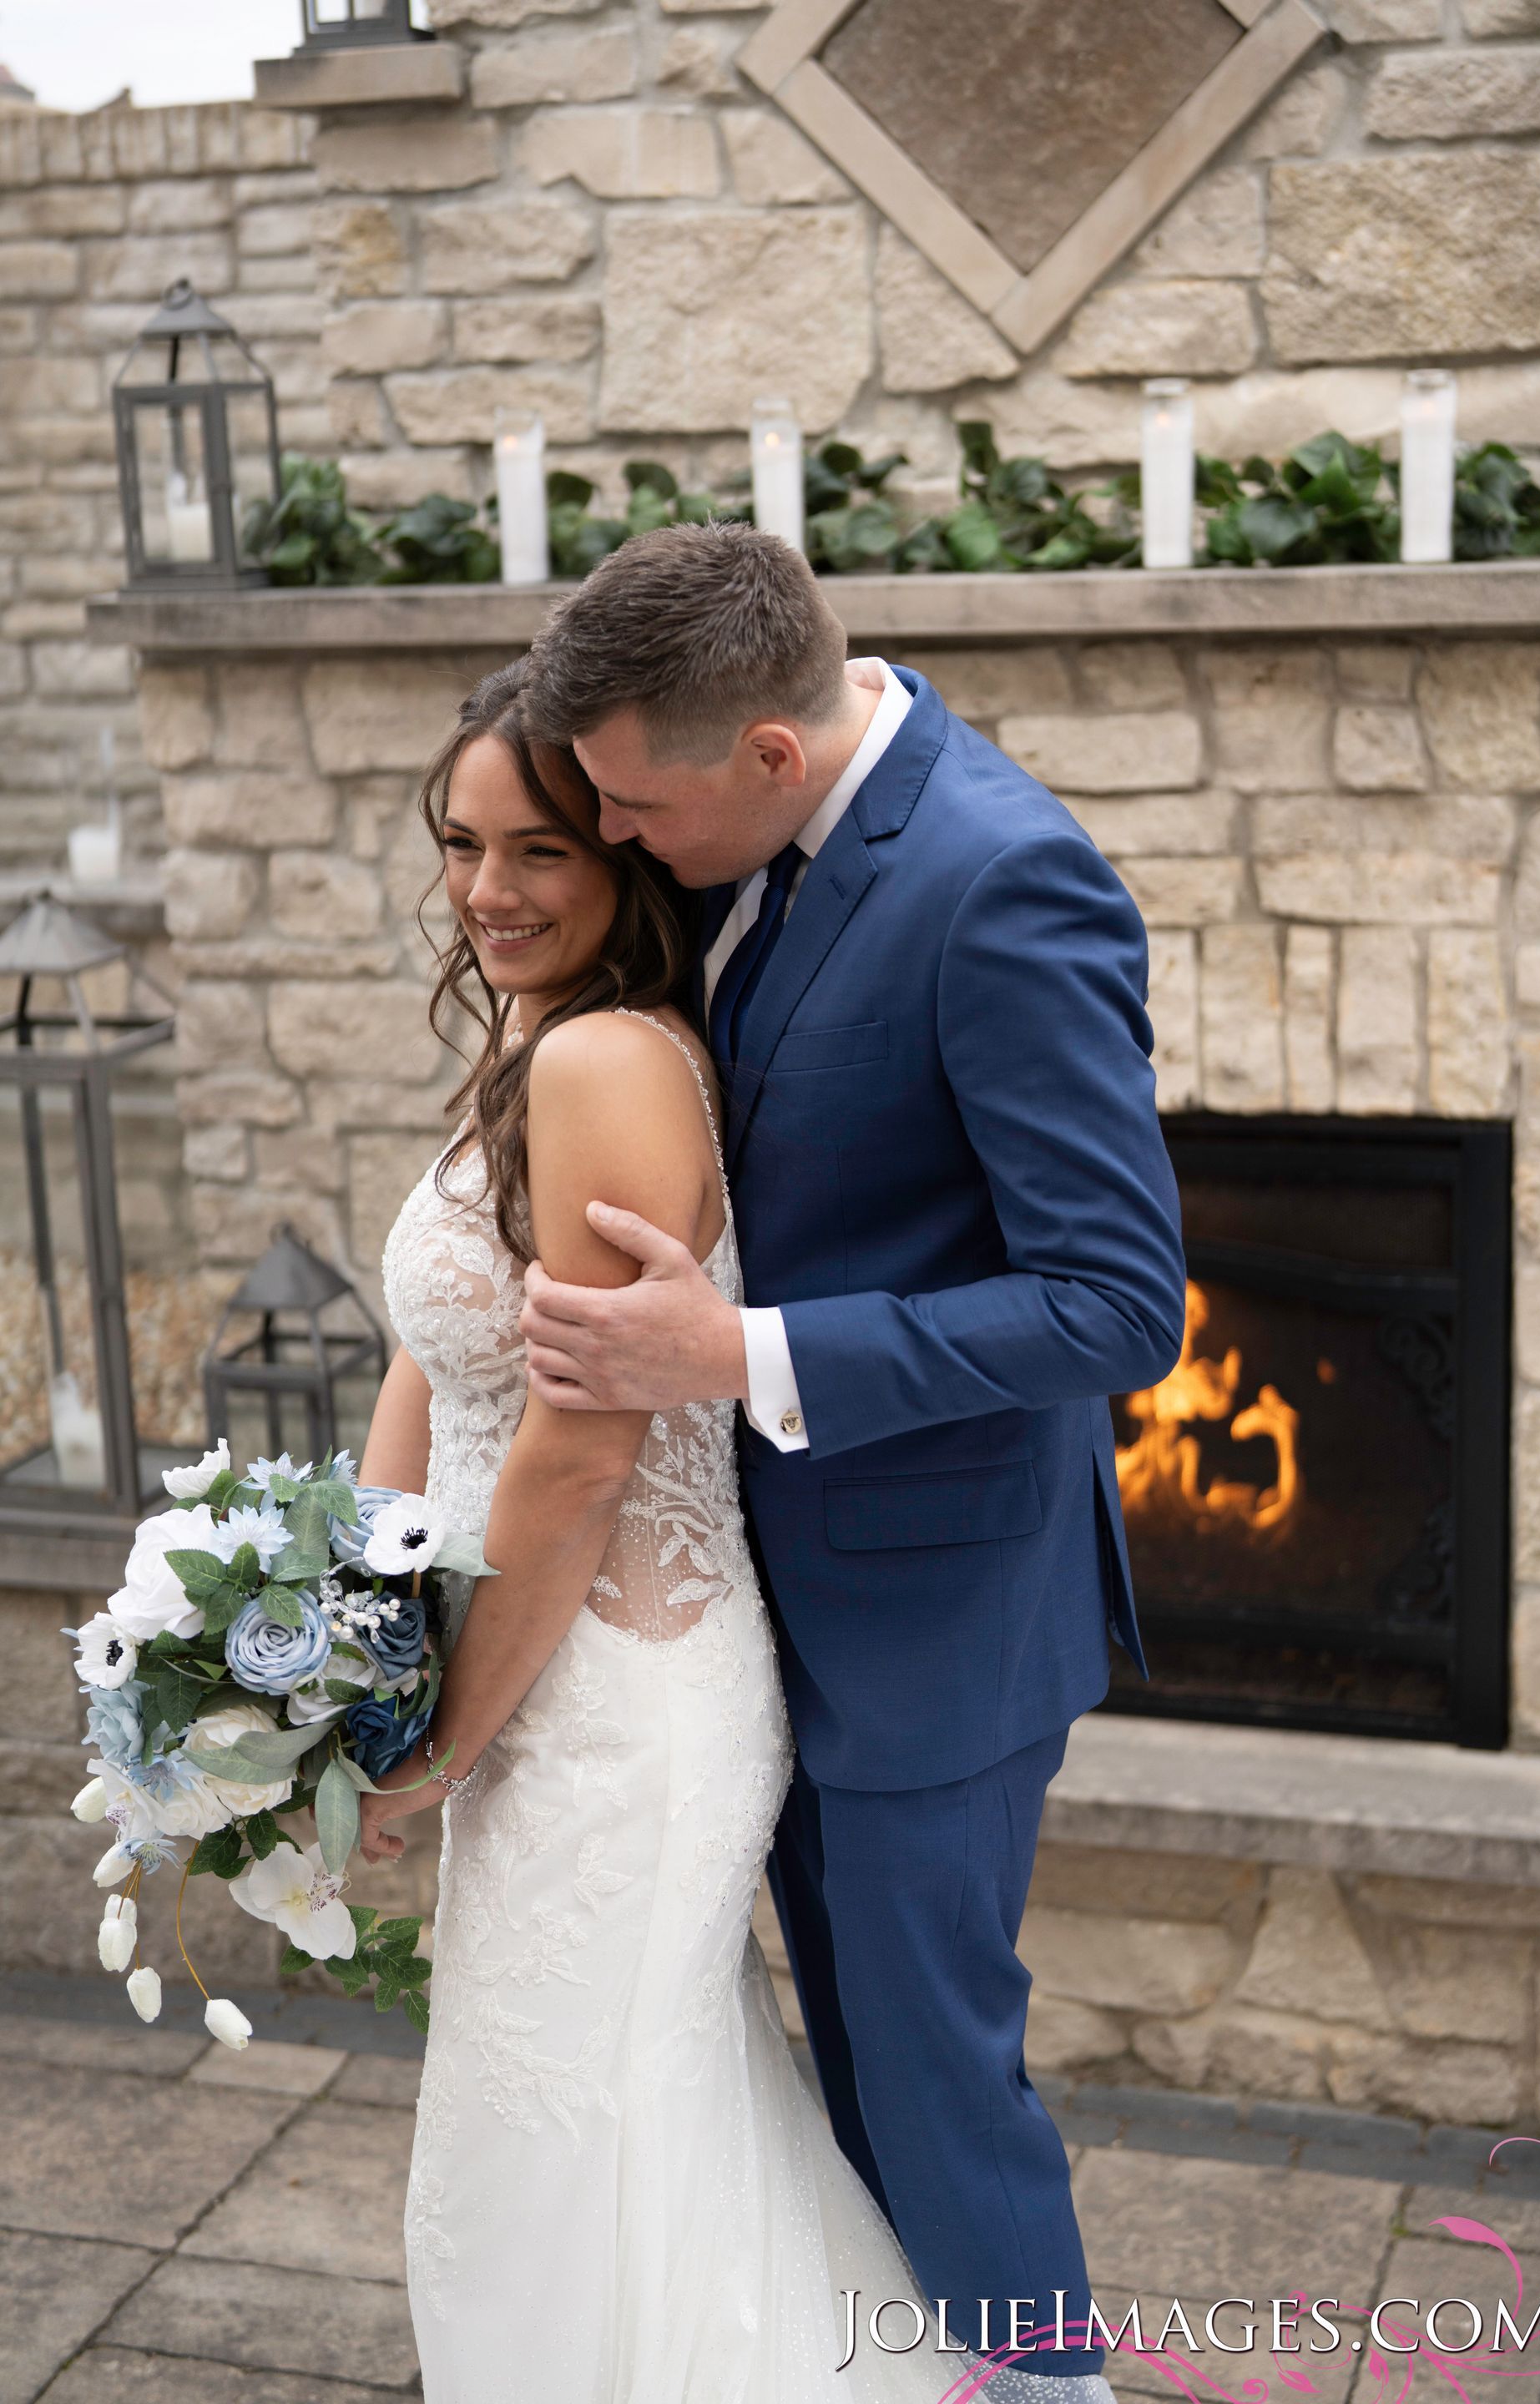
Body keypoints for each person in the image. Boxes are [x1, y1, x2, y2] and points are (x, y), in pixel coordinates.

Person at [515, 523, 1189, 2396]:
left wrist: (736, 1353)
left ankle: (1048, 2386)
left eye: (639, 806)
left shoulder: (1004, 883)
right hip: (772, 1607)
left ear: (774, 757)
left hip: (937, 1627)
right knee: (853, 2087)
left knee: (934, 2083)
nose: (621, 839)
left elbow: (1122, 1306)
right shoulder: (760, 847)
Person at [355, 659, 986, 2401]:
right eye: (465, 843)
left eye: (542, 848)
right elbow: (432, 1364)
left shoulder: (613, 1061)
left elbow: (579, 1451)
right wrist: (347, 1654)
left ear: (634, 855)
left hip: (612, 1701)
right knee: (582, 2127)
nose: (490, 889)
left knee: (570, 2135)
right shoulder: (528, 1036)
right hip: (521, 1672)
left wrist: (435, 1741)